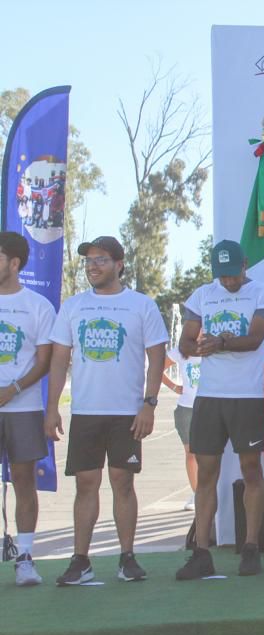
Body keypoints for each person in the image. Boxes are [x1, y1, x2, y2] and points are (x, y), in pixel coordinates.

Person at [45, 236, 168, 585]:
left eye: (100, 259)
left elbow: (157, 356)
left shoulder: (141, 305)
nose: (92, 266)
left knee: (122, 482)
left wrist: (149, 404)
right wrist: (52, 408)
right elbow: (59, 360)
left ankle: (127, 558)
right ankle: (80, 561)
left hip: (127, 413)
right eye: (88, 260)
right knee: (86, 483)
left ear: (119, 264)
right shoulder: (73, 306)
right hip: (86, 411)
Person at [175, 239, 264, 580]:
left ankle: (251, 547)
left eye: (233, 273)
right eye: (222, 275)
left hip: (246, 396)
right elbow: (185, 343)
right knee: (206, 474)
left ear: (245, 264)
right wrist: (200, 347)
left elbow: (254, 341)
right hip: (209, 397)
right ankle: (202, 552)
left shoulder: (262, 293)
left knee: (251, 470)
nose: (229, 281)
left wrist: (218, 342)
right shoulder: (202, 295)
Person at [0, 233, 56, 586]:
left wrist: (13, 389)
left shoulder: (38, 306)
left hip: (23, 408)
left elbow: (44, 361)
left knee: (24, 480)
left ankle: (24, 559)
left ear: (14, 263)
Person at [162, 325, 201, 511]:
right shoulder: (181, 351)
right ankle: (196, 493)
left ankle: (212, 490)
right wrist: (174, 387)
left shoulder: (215, 348)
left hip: (209, 406)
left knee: (211, 454)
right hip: (187, 408)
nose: (201, 330)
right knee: (191, 453)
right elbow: (158, 369)